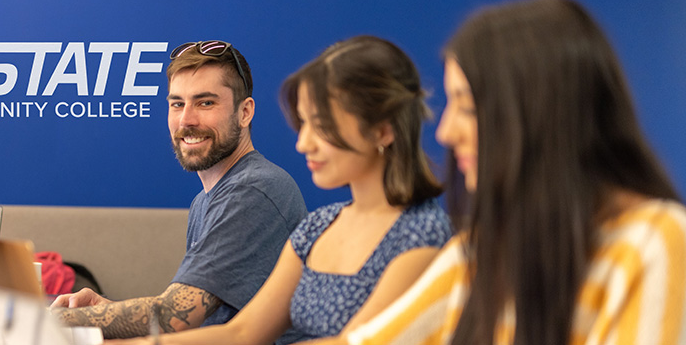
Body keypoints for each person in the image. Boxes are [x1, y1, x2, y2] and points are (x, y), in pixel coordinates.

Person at [308, 0, 686, 345]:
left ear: (541, 114)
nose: (445, 132)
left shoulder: (653, 242)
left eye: (468, 107)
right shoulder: (481, 252)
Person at [107, 36, 451, 345]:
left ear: (382, 130)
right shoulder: (319, 227)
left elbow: (355, 343)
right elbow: (242, 333)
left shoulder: (423, 235)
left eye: (322, 125)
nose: (303, 143)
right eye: (303, 124)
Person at [50, 40, 308, 339]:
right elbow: (193, 319)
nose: (186, 119)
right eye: (177, 104)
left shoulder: (253, 189)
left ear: (245, 112)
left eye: (206, 102)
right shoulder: (206, 200)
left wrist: (43, 319)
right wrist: (104, 311)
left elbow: (173, 315)